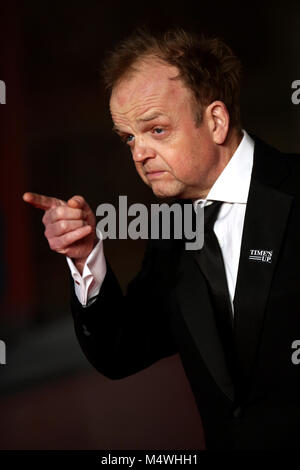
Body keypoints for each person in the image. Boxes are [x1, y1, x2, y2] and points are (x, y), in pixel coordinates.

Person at [23, 28, 300, 450]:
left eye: (155, 130)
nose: (138, 154)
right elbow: (121, 353)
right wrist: (85, 259)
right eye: (128, 137)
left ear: (216, 121)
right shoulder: (168, 227)